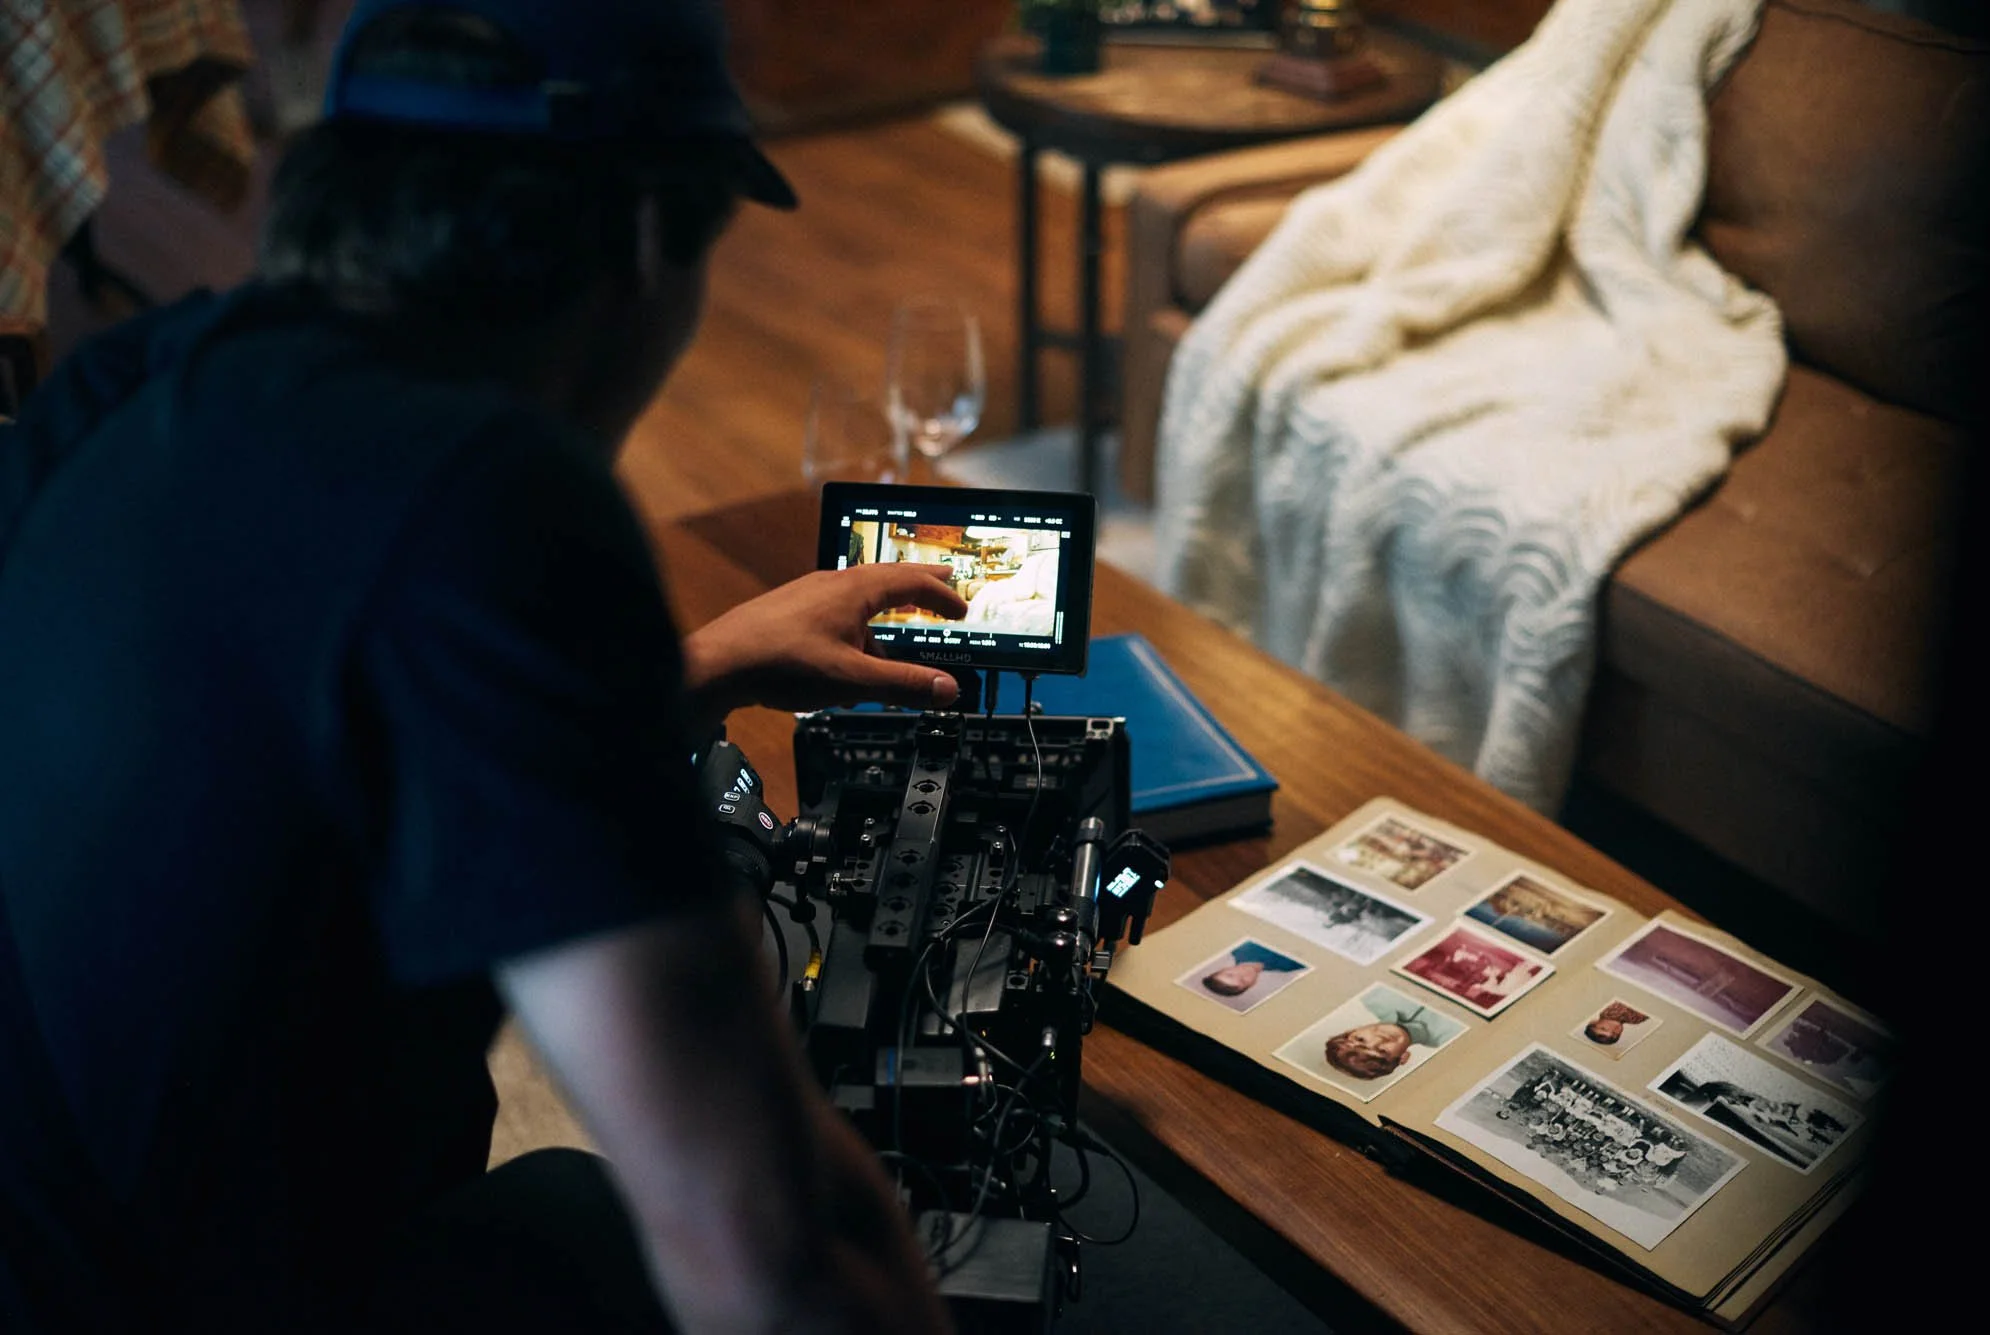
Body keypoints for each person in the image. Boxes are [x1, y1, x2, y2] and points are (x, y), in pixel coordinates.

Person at [0, 3, 964, 1333]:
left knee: (566, 1209)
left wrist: (694, 666)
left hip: (59, 1261)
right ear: (644, 238)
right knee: (613, 1224)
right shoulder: (493, 496)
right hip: (228, 1296)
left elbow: (314, 741)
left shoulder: (124, 388)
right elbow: (763, 1248)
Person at [1322, 991, 1459, 1080]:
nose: (1379, 1039)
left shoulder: (1372, 996)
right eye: (1382, 1051)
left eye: (1361, 1040)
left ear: (1353, 1030)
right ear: (1403, 1058)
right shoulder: (1450, 1037)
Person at [1199, 940, 1305, 997]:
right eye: (1243, 981)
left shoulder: (1240, 946)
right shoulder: (1287, 968)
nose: (1243, 974)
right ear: (1252, 984)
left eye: (1230, 975)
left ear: (1225, 968)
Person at [1583, 999, 1652, 1046]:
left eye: (1603, 1028)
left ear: (1594, 1022)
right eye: (1615, 1034)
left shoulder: (1607, 1008)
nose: (1613, 1028)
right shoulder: (1635, 1020)